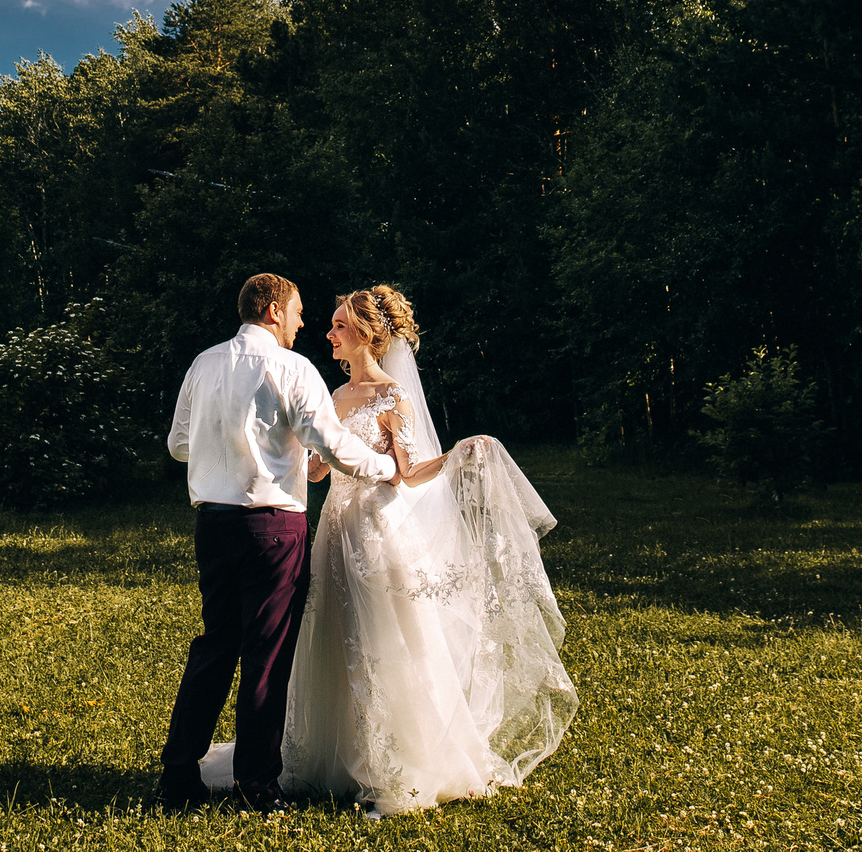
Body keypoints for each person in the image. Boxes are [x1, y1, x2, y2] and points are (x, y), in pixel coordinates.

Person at [199, 285, 578, 817]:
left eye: (338, 327)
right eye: (327, 324)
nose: (327, 334)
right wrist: (271, 458)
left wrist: (455, 455)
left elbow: (406, 472)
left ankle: (393, 765)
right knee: (331, 633)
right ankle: (327, 755)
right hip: (334, 527)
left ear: (367, 336)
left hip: (376, 528)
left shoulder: (391, 395)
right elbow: (319, 465)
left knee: (383, 636)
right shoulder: (333, 394)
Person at [159, 273, 398, 814]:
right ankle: (258, 787)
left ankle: (177, 779)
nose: (303, 321)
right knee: (265, 656)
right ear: (272, 310)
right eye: (297, 311)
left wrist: (222, 446)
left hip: (214, 524)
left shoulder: (203, 364)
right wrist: (386, 466)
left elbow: (177, 445)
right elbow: (333, 446)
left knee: (215, 646)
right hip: (273, 529)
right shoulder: (293, 368)